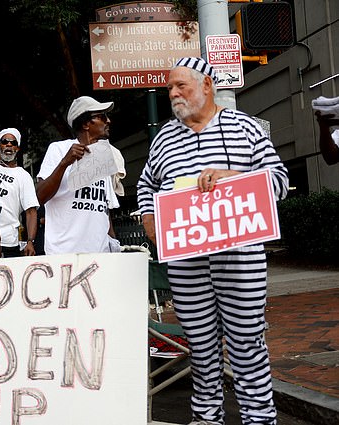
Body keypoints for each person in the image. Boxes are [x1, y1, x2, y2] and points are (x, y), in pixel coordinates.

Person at [137, 57, 289, 425]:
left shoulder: (246, 128)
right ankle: (207, 417)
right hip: (187, 265)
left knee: (247, 345)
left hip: (241, 261)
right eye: (169, 87)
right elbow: (146, 186)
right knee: (201, 348)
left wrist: (233, 176)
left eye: (181, 86)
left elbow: (279, 182)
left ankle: (259, 418)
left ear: (207, 85)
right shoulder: (164, 139)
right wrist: (150, 220)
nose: (172, 93)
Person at [36, 95, 120, 254]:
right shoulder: (59, 149)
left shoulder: (103, 155)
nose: (108, 121)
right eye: (102, 117)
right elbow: (40, 196)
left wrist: (113, 244)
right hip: (64, 254)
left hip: (100, 254)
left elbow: (104, 208)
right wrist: (64, 163)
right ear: (86, 124)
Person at [0, 128, 39, 257]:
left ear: (17, 149)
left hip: (7, 243)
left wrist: (30, 241)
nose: (9, 145)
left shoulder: (23, 176)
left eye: (13, 143)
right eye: (5, 141)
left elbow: (31, 211)